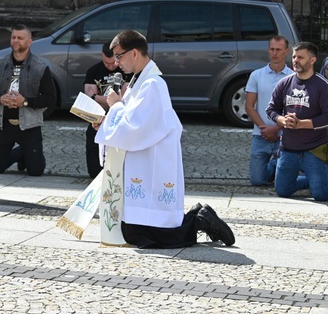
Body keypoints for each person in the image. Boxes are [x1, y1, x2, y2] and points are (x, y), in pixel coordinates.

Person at [94, 30, 235, 248]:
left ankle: (200, 220)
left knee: (146, 236)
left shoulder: (153, 84)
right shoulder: (138, 81)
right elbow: (131, 118)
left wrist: (114, 107)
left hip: (153, 161)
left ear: (133, 53)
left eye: (119, 56)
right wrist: (107, 121)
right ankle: (199, 217)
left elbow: (135, 127)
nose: (116, 62)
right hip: (143, 159)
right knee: (135, 233)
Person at [0, 24, 56, 176]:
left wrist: (26, 102)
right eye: (13, 37)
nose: (16, 41)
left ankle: (29, 154)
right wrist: (0, 99)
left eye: (20, 38)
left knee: (35, 171)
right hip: (3, 125)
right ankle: (20, 153)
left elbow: (50, 98)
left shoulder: (40, 67)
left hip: (29, 126)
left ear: (29, 42)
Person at [266, 41, 328, 201]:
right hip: (288, 149)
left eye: (300, 57)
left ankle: (319, 182)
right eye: (294, 56)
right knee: (282, 191)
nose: (295, 60)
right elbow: (271, 109)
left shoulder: (322, 86)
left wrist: (302, 124)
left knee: (321, 195)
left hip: (314, 150)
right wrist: (282, 120)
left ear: (312, 60)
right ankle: (311, 181)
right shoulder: (285, 83)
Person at [244, 36, 293, 186]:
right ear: (268, 50)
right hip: (261, 135)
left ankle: (278, 165)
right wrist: (264, 129)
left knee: (281, 182)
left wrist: (276, 128)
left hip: (283, 135)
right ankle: (275, 165)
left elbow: (293, 109)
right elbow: (249, 106)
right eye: (272, 49)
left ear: (286, 51)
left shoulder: (293, 77)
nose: (275, 53)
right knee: (257, 181)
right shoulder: (256, 75)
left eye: (278, 49)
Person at [82, 42, 132, 178]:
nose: (110, 66)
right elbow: (89, 97)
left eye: (113, 62)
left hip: (120, 119)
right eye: (106, 62)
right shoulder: (94, 71)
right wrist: (111, 101)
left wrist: (100, 98)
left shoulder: (126, 71)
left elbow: (124, 100)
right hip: (98, 118)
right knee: (93, 166)